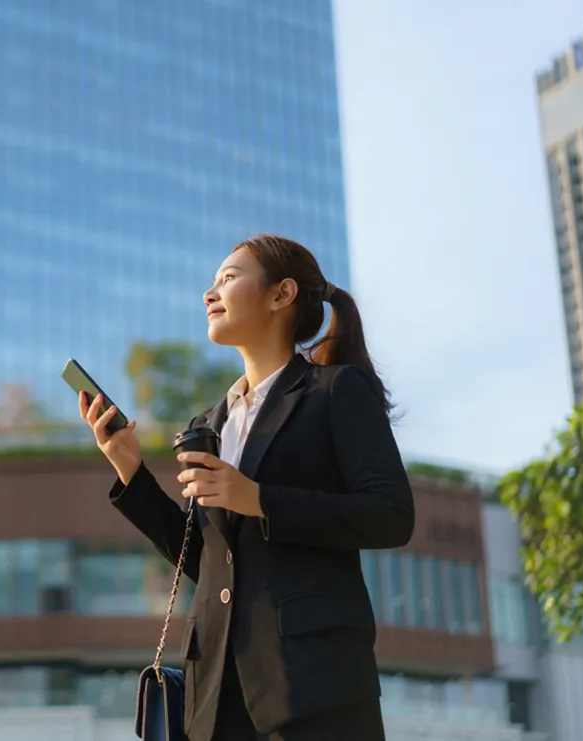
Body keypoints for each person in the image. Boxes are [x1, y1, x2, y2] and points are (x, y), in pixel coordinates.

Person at [78, 233, 413, 741]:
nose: (209, 294)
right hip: (214, 700)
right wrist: (131, 472)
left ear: (282, 295)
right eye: (212, 284)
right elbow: (206, 561)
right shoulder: (209, 421)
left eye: (228, 279)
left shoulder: (335, 392)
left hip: (313, 692)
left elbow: (391, 514)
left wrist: (257, 499)